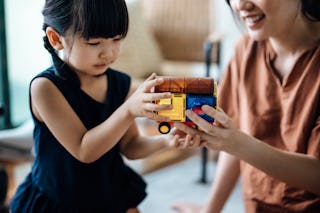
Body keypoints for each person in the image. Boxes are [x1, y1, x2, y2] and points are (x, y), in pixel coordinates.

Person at [9, 0, 186, 212]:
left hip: (108, 192)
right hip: (60, 200)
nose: (108, 53)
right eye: (94, 43)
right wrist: (129, 110)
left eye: (116, 39)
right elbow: (84, 149)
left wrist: (166, 141)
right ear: (56, 39)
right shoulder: (45, 88)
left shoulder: (119, 83)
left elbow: (130, 146)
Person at [172, 0, 320, 212]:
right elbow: (232, 138)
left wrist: (237, 143)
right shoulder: (246, 49)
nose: (240, 5)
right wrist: (210, 210)